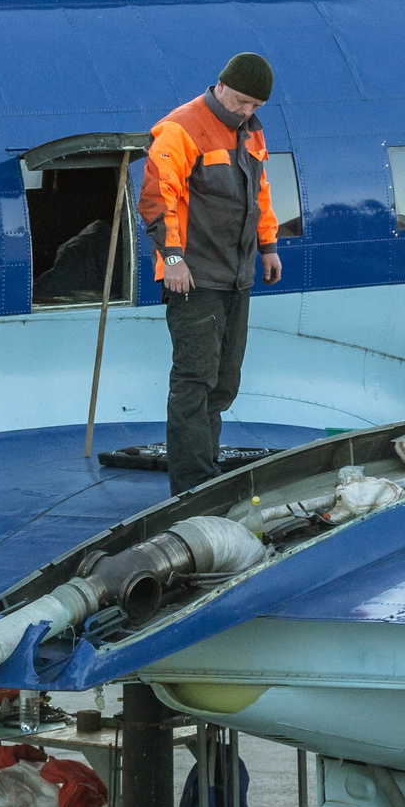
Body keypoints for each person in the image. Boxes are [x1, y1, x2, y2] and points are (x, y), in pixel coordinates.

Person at [139, 52, 282, 495]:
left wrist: (269, 246)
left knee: (223, 381)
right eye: (241, 102)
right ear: (220, 86)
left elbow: (259, 192)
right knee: (194, 382)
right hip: (193, 278)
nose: (247, 112)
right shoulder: (181, 128)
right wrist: (175, 260)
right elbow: (156, 198)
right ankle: (191, 486)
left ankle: (206, 470)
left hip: (236, 276)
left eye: (255, 107)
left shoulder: (251, 133)